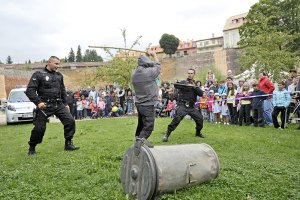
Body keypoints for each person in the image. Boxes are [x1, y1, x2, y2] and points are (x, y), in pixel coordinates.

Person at [25, 56, 79, 156]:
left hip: (58, 104)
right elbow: (30, 90)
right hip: (44, 105)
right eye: (56, 64)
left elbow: (62, 91)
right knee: (39, 128)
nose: (58, 66)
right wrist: (38, 102)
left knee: (70, 120)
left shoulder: (59, 76)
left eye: (59, 64)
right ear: (49, 63)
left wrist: (66, 104)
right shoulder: (39, 74)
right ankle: (32, 147)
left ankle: (68, 143)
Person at [162, 69, 204, 142]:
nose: (190, 74)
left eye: (191, 73)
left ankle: (198, 132)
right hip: (183, 105)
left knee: (200, 119)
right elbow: (176, 86)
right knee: (177, 118)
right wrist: (185, 85)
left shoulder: (195, 84)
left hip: (191, 106)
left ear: (194, 74)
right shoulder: (184, 82)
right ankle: (167, 134)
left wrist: (194, 87)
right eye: (189, 73)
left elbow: (201, 94)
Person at [131, 51, 161, 154]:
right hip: (148, 104)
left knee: (141, 124)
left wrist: (146, 57)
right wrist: (155, 55)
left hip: (139, 103)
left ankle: (139, 140)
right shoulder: (148, 73)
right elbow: (157, 66)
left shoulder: (134, 73)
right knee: (148, 126)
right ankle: (139, 143)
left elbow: (147, 64)